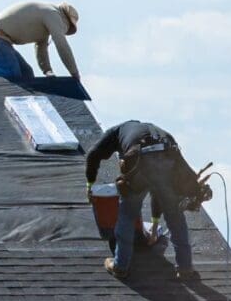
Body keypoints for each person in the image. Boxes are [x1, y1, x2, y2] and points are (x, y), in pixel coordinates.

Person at [85, 120, 198, 280]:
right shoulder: (158, 132)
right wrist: (154, 226)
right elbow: (159, 190)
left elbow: (93, 155)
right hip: (168, 160)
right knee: (175, 216)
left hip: (140, 163)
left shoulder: (116, 133)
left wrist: (89, 185)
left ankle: (120, 266)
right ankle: (185, 268)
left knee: (127, 214)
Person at [0, 1, 80, 80]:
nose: (64, 31)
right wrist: (74, 74)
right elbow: (61, 44)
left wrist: (48, 71)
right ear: (66, 20)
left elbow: (41, 48)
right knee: (13, 74)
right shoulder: (53, 14)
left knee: (27, 75)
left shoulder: (46, 15)